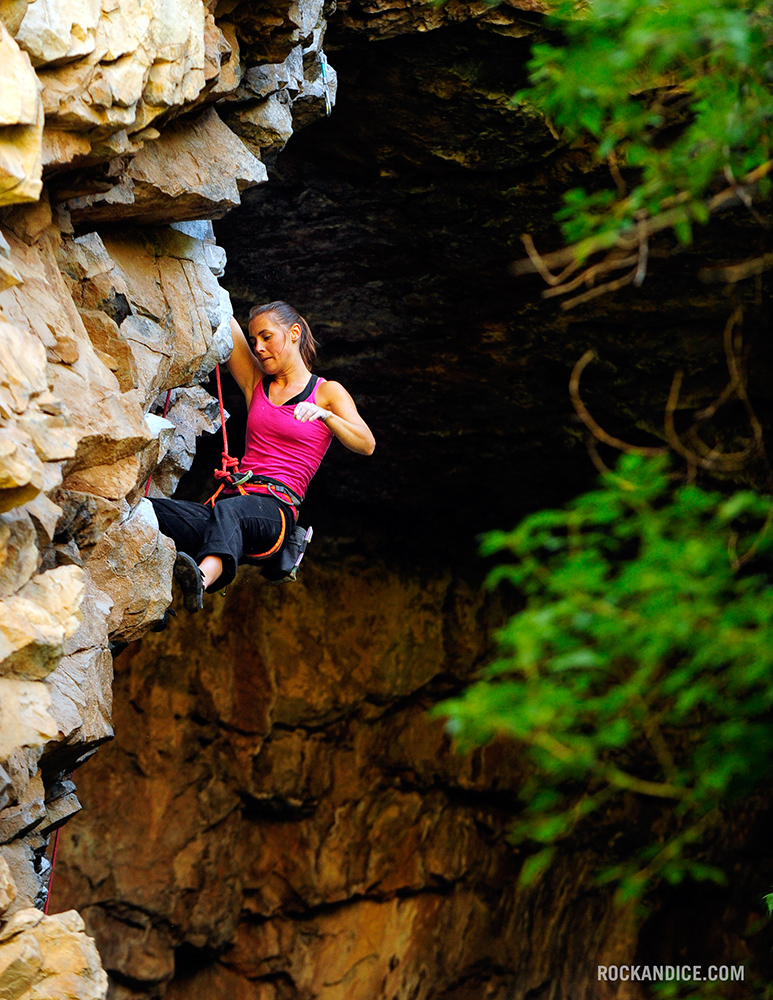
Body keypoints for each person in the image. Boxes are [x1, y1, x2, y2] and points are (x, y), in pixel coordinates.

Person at [150, 301, 375, 611]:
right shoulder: (257, 384)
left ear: (294, 333)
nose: (258, 347)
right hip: (228, 506)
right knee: (152, 512)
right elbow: (222, 311)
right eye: (254, 341)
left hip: (275, 513)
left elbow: (366, 443)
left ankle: (200, 580)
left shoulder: (326, 392)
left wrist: (326, 416)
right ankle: (151, 604)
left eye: (267, 337)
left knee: (233, 512)